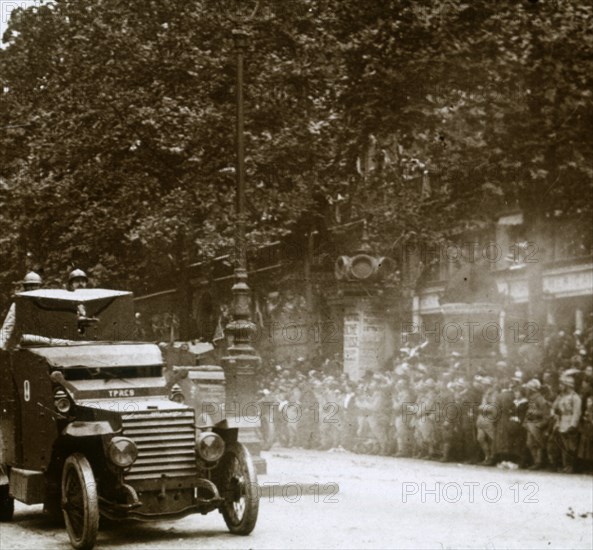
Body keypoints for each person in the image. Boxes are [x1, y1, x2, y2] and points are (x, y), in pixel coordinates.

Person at [0, 271, 43, 350]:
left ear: (39, 286)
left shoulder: (46, 303)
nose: (32, 288)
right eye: (29, 285)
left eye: (35, 285)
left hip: (43, 343)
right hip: (23, 344)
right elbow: (8, 327)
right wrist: (1, 344)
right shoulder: (18, 304)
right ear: (25, 287)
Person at [550, 376, 582, 473]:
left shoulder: (575, 397)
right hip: (561, 422)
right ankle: (564, 466)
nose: (560, 386)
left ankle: (570, 466)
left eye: (562, 384)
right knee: (562, 446)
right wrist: (554, 414)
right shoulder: (561, 396)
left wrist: (573, 425)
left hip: (570, 422)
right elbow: (553, 407)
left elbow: (577, 412)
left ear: (567, 386)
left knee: (570, 447)